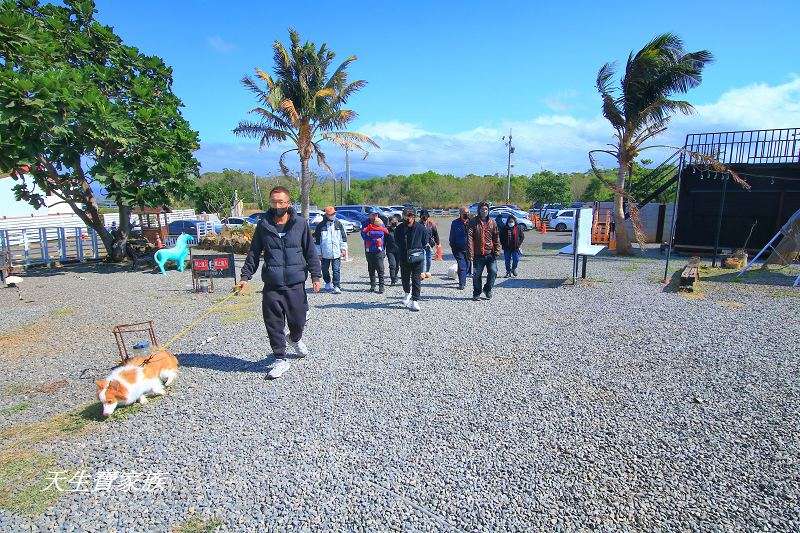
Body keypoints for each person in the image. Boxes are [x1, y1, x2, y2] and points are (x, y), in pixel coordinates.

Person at [234, 186, 321, 380]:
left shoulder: (300, 223)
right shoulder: (263, 225)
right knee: (273, 324)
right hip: (272, 284)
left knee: (298, 321)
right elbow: (254, 253)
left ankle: (295, 338)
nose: (277, 205)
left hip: (295, 283)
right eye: (274, 202)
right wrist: (245, 277)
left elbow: (311, 252)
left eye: (281, 202)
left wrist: (316, 276)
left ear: (288, 203)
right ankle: (280, 358)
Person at [394, 207, 427, 311]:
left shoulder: (421, 228)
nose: (408, 218)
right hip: (404, 257)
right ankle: (407, 293)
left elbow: (424, 241)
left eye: (410, 216)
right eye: (406, 216)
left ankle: (415, 300)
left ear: (414, 216)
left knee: (416, 279)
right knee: (405, 278)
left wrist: (416, 249)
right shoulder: (399, 228)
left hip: (417, 257)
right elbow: (396, 241)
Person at [467, 201, 500, 301]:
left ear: (488, 210)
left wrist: (497, 250)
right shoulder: (473, 222)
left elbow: (496, 237)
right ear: (479, 210)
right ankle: (477, 292)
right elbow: (469, 238)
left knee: (493, 272)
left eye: (486, 209)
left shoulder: (492, 222)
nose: (484, 211)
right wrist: (470, 252)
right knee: (477, 275)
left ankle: (487, 289)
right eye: (482, 209)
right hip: (478, 254)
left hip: (490, 253)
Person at [313, 206, 347, 293]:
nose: (333, 215)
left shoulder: (338, 224)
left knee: (336, 270)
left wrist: (343, 249)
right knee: (324, 269)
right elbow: (317, 241)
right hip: (325, 253)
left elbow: (343, 237)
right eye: (331, 214)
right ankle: (327, 282)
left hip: (336, 252)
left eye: (334, 213)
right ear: (326, 215)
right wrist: (319, 253)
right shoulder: (320, 226)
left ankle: (336, 286)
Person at [361, 209, 389, 293]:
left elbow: (382, 233)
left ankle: (381, 286)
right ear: (369, 215)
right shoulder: (365, 223)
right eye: (373, 214)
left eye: (376, 214)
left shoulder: (380, 222)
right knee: (371, 268)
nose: (375, 216)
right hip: (369, 249)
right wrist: (371, 234)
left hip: (379, 250)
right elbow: (364, 235)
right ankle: (372, 285)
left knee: (380, 269)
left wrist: (371, 234)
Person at [448, 206, 472, 290]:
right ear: (460, 214)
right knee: (462, 266)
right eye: (464, 213)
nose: (466, 215)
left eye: (467, 213)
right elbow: (451, 236)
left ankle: (461, 276)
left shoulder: (471, 222)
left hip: (469, 249)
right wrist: (452, 245)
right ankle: (462, 284)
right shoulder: (455, 223)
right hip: (458, 249)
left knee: (468, 265)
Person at [419, 209, 440, 279]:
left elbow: (436, 234)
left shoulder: (431, 224)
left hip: (430, 245)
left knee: (429, 259)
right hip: (421, 245)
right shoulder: (418, 225)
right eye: (423, 217)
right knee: (423, 259)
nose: (424, 219)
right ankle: (422, 272)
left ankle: (427, 271)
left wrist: (438, 243)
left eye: (426, 217)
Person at [385, 214, 401, 286]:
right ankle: (393, 280)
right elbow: (384, 240)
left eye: (396, 221)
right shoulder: (387, 230)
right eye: (393, 221)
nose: (395, 222)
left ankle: (395, 276)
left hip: (399, 250)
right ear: (390, 222)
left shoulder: (400, 229)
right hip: (390, 251)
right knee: (392, 265)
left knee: (397, 265)